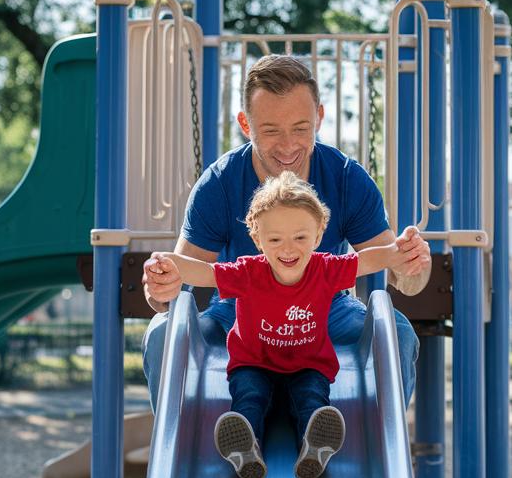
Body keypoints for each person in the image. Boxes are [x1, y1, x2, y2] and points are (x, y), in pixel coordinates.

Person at [142, 54, 430, 411]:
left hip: (325, 310)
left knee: (397, 332)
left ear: (319, 118)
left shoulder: (344, 178)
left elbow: (402, 272)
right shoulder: (220, 183)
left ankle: (380, 449)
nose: (288, 145)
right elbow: (177, 279)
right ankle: (182, 450)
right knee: (160, 333)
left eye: (300, 128)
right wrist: (160, 287)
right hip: (239, 312)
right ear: (246, 124)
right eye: (271, 131)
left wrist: (415, 263)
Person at [149, 172, 421, 478]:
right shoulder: (249, 272)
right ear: (257, 239)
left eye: (300, 238)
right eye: (275, 239)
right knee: (248, 396)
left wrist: (398, 250)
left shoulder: (325, 268)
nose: (288, 249)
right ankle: (244, 448)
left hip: (308, 364)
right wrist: (170, 263)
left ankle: (315, 446)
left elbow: (366, 260)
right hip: (254, 362)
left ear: (318, 236)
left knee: (312, 398)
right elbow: (206, 272)